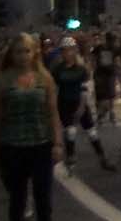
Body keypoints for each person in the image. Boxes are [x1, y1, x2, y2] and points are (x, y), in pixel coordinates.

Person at [0, 33, 65, 221]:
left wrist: (57, 143)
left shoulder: (45, 79)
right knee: (18, 200)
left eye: (27, 51)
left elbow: (52, 112)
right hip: (12, 146)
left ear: (34, 54)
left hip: (40, 144)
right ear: (11, 55)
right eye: (18, 52)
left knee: (43, 200)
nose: (23, 56)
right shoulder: (2, 80)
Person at [48, 34, 111, 173]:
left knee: (92, 132)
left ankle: (102, 158)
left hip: (79, 101)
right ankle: (71, 160)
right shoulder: (58, 69)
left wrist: (82, 106)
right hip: (64, 103)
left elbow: (84, 88)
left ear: (74, 50)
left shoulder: (80, 69)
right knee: (70, 131)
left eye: (70, 50)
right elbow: (53, 88)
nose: (68, 53)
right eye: (65, 50)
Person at [89, 31, 121, 164]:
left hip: (105, 75)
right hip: (104, 75)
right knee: (105, 97)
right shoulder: (105, 48)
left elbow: (94, 58)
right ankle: (102, 114)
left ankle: (104, 114)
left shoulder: (107, 48)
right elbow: (94, 58)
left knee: (107, 96)